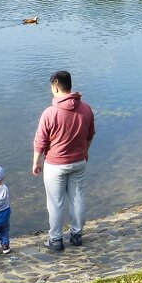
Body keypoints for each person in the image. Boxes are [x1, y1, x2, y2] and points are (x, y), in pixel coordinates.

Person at [32, 70, 95, 252]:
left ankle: (56, 239)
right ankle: (76, 235)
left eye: (52, 87)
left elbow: (41, 140)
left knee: (55, 202)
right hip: (78, 162)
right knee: (77, 198)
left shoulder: (50, 113)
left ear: (56, 86)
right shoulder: (86, 109)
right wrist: (85, 152)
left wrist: (36, 162)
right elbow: (90, 135)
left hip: (55, 164)